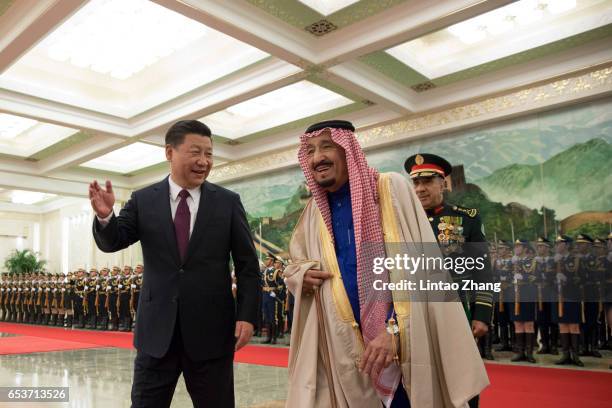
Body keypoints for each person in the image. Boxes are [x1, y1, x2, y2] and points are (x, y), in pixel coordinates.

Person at [284, 120, 488, 408]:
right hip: (346, 347)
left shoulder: (390, 189)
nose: (317, 157)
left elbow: (423, 268)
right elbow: (295, 264)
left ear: (348, 151)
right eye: (310, 151)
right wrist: (299, 276)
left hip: (403, 341)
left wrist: (394, 332)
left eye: (327, 146)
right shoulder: (314, 212)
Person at [90, 119, 260, 408]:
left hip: (212, 334)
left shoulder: (227, 202)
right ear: (170, 152)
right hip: (156, 336)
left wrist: (247, 315)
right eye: (196, 152)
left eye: (209, 154)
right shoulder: (143, 200)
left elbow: (247, 265)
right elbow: (113, 241)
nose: (204, 162)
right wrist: (106, 218)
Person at [404, 153, 493, 407]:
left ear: (442, 183)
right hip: (416, 311)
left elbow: (482, 270)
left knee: (462, 375)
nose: (420, 189)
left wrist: (482, 313)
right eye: (415, 183)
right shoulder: (403, 223)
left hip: (458, 309)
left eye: (428, 182)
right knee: (422, 375)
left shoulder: (467, 218)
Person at [553, 235, 584, 367]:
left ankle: (575, 355)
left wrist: (567, 279)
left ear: (566, 245)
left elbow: (582, 277)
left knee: (573, 326)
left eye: (560, 243)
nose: (557, 245)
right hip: (558, 297)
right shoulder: (553, 260)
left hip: (572, 295)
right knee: (563, 325)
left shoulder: (575, 259)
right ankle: (565, 354)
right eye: (557, 243)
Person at [509, 240, 537, 363]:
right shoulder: (512, 262)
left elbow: (536, 277)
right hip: (514, 295)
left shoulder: (532, 262)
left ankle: (529, 353)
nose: (516, 248)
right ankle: (520, 352)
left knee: (528, 324)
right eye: (515, 246)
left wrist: (523, 277)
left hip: (527, 295)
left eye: (519, 246)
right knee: (518, 324)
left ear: (525, 248)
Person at [534, 237, 558, 355]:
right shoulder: (535, 261)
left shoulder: (554, 261)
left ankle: (554, 345)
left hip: (552, 292)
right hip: (540, 293)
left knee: (553, 319)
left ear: (548, 248)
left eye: (542, 246)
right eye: (538, 246)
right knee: (541, 319)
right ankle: (544, 345)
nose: (539, 248)